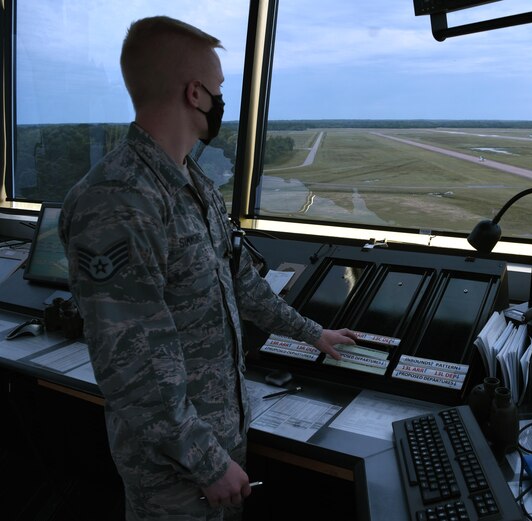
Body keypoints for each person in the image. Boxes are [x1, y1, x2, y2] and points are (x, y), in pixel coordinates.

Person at [58, 15, 358, 520]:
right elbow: (131, 362)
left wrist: (312, 334)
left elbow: (240, 279)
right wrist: (205, 462)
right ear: (195, 93)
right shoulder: (118, 201)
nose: (222, 100)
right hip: (174, 469)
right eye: (219, 88)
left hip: (218, 442)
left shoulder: (191, 183)